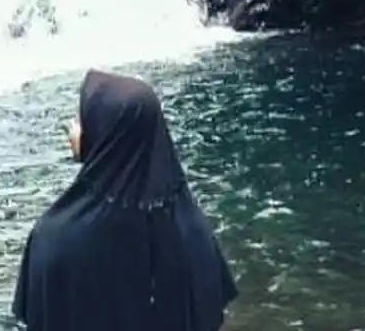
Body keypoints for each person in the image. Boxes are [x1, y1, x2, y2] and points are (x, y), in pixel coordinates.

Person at [12, 68, 237, 331]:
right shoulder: (193, 230)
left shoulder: (56, 238)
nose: (76, 128)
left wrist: (88, 150)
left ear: (104, 136)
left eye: (86, 121)